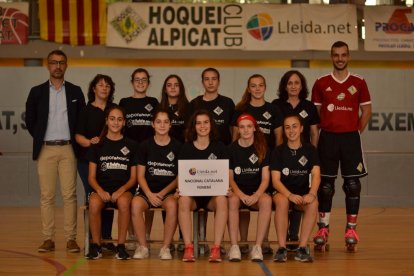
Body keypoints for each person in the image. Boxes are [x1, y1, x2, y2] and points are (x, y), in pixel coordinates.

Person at [311, 41, 372, 252]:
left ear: (348, 57)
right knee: (325, 186)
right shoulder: (321, 82)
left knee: (353, 185)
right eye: (336, 55)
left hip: (350, 139)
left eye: (343, 55)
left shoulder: (359, 82)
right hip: (327, 138)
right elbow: (316, 116)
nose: (340, 58)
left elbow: (366, 112)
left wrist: (354, 131)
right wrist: (326, 130)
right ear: (331, 56)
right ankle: (323, 229)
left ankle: (351, 229)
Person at [25, 49, 85, 253]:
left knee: (70, 196)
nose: (57, 66)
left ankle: (71, 239)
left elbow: (81, 122)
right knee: (47, 196)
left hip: (69, 149)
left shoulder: (76, 91)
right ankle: (48, 238)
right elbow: (31, 122)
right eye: (54, 62)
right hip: (45, 149)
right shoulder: (36, 92)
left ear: (66, 66)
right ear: (47, 65)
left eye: (61, 62)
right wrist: (42, 138)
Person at [232, 74, 283, 255]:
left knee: (264, 200)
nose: (257, 89)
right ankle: (243, 241)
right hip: (244, 163)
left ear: (265, 87)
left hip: (264, 163)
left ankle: (264, 241)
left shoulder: (273, 109)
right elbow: (235, 138)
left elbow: (278, 139)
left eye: (260, 85)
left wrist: (275, 161)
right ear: (248, 88)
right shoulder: (240, 109)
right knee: (242, 203)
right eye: (253, 86)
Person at [188, 67, 235, 255]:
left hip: (218, 159)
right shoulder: (194, 104)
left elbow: (234, 132)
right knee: (196, 198)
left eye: (213, 79)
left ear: (218, 81)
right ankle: (199, 242)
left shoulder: (227, 103)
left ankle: (218, 243)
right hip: (198, 160)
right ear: (202, 82)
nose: (210, 82)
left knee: (220, 199)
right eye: (206, 79)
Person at [272, 70, 320, 249]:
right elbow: (278, 132)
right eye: (289, 83)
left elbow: (314, 132)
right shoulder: (277, 105)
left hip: (303, 155)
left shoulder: (309, 106)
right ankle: (285, 243)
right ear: (285, 86)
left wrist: (311, 154)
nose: (293, 86)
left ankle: (297, 239)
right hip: (284, 156)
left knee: (304, 196)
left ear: (302, 86)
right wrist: (280, 152)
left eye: (297, 83)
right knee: (285, 197)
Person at [85, 106, 138, 260]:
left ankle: (121, 246)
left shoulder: (132, 145)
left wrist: (121, 190)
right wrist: (100, 191)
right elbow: (91, 177)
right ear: (106, 121)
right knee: (94, 203)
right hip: (101, 189)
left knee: (123, 203)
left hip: (124, 189)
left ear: (124, 123)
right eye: (112, 119)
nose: (116, 122)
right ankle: (96, 246)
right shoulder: (97, 145)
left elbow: (133, 178)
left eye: (119, 119)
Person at [177, 110, 229, 262]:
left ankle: (216, 249)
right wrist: (180, 188)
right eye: (198, 123)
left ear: (211, 125)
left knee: (222, 199)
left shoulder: (220, 147)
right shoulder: (186, 148)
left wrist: (227, 188)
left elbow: (224, 174)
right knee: (183, 199)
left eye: (206, 122)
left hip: (211, 197)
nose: (202, 126)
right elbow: (182, 175)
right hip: (193, 197)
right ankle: (188, 248)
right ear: (194, 126)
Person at [131, 109, 181, 260]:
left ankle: (165, 248)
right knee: (135, 205)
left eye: (166, 122)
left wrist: (162, 193)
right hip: (148, 191)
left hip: (167, 192)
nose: (162, 125)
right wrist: (150, 194)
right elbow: (140, 176)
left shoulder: (178, 146)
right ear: (153, 124)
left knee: (172, 206)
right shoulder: (144, 146)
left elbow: (180, 175)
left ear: (170, 125)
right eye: (158, 122)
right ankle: (143, 247)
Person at [75, 74, 116, 251]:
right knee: (94, 197)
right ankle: (93, 239)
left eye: (107, 85)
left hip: (111, 162)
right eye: (100, 85)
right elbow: (77, 135)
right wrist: (88, 142)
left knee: (109, 196)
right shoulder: (85, 110)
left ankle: (106, 238)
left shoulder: (114, 109)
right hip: (87, 161)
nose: (104, 88)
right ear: (94, 89)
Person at [119, 68, 159, 249]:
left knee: (146, 194)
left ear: (148, 83)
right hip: (128, 154)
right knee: (129, 196)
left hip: (149, 154)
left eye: (144, 80)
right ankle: (131, 235)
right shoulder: (124, 102)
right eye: (137, 79)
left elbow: (157, 127)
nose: (141, 82)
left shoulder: (153, 102)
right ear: (132, 82)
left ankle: (147, 233)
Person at [271, 115, 320, 262]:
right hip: (283, 192)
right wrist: (289, 194)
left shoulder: (310, 150)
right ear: (284, 130)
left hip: (303, 192)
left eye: (294, 126)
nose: (291, 130)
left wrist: (312, 193)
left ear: (301, 128)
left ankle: (302, 248)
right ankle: (281, 248)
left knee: (314, 203)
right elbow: (275, 181)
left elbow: (316, 175)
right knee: (282, 202)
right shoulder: (278, 151)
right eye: (287, 127)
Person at [227, 114, 272, 262]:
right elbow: (230, 178)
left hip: (256, 191)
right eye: (242, 127)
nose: (245, 130)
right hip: (238, 192)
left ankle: (258, 247)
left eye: (248, 126)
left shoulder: (262, 147)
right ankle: (234, 246)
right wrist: (240, 194)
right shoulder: (231, 149)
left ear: (254, 128)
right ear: (238, 130)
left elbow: (266, 178)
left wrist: (257, 195)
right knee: (231, 201)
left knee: (266, 201)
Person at [158, 74, 190, 251]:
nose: (172, 88)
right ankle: (168, 240)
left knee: (180, 198)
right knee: (168, 199)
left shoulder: (188, 107)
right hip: (164, 155)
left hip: (183, 154)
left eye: (176, 85)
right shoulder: (160, 107)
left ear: (181, 88)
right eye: (169, 85)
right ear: (165, 88)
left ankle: (181, 237)